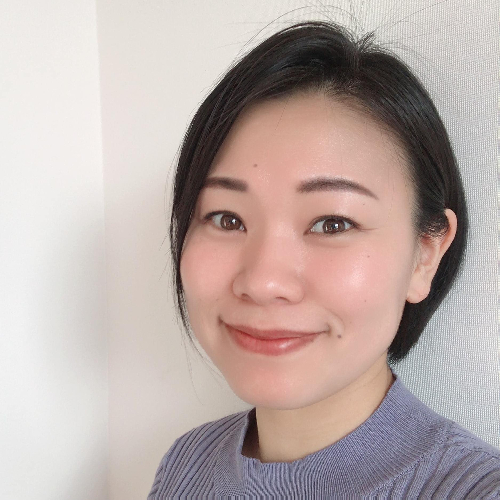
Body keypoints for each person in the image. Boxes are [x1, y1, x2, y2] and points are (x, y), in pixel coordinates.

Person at [148, 21, 500, 499]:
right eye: (226, 218)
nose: (264, 282)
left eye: (332, 223)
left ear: (425, 255)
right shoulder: (186, 463)